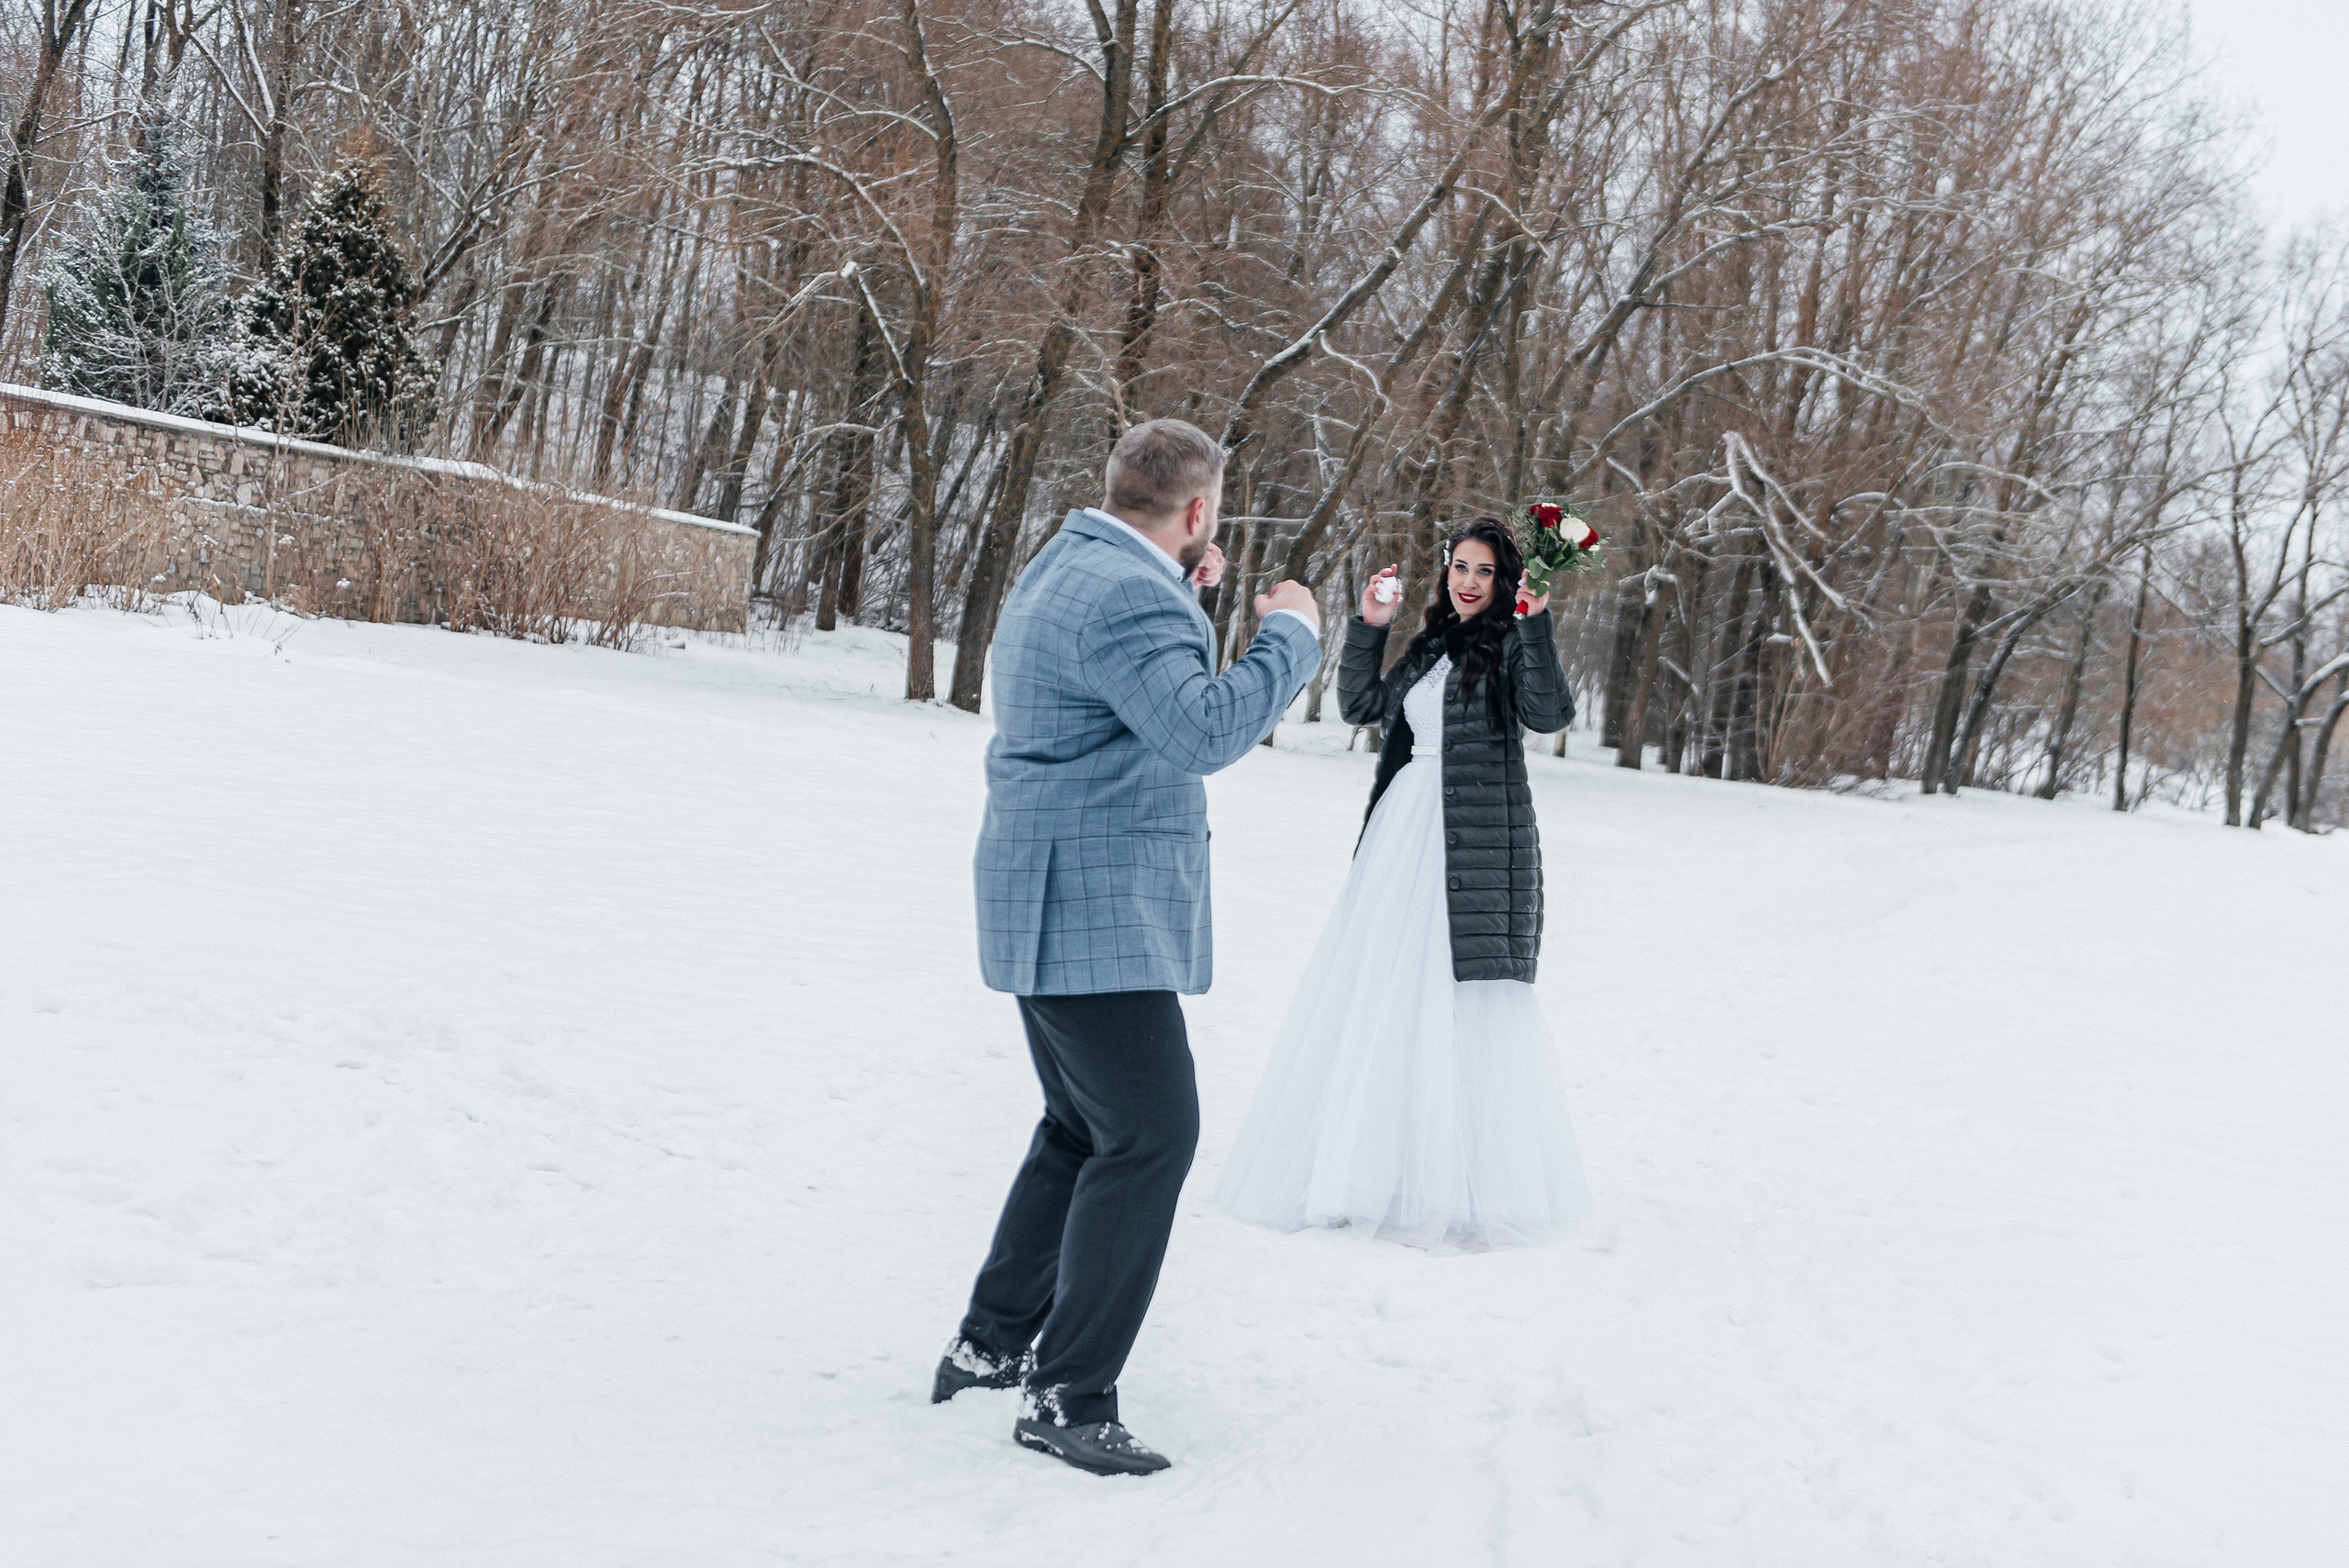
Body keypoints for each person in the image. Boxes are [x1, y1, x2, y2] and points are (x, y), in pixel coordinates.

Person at [932, 417, 1323, 1476]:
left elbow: (1125, 690)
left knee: (1079, 1126)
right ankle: (1068, 1393)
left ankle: (990, 1342)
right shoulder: (1128, 594)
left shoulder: (1076, 563)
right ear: (1198, 510)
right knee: (1150, 1135)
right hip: (1092, 909)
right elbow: (1201, 730)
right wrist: (1290, 634)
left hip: (1049, 893)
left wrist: (1185, 591)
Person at [1215, 516, 1589, 1251]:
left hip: (1476, 841)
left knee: (1460, 1003)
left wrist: (1537, 622)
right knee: (1387, 995)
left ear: (1506, 579)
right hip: (1402, 837)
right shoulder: (1431, 645)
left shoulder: (1512, 643)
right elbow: (1363, 709)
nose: (1468, 581)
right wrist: (1370, 626)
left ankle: (1461, 1180)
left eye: (1483, 570)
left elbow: (1550, 714)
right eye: (1459, 566)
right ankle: (1371, 1168)